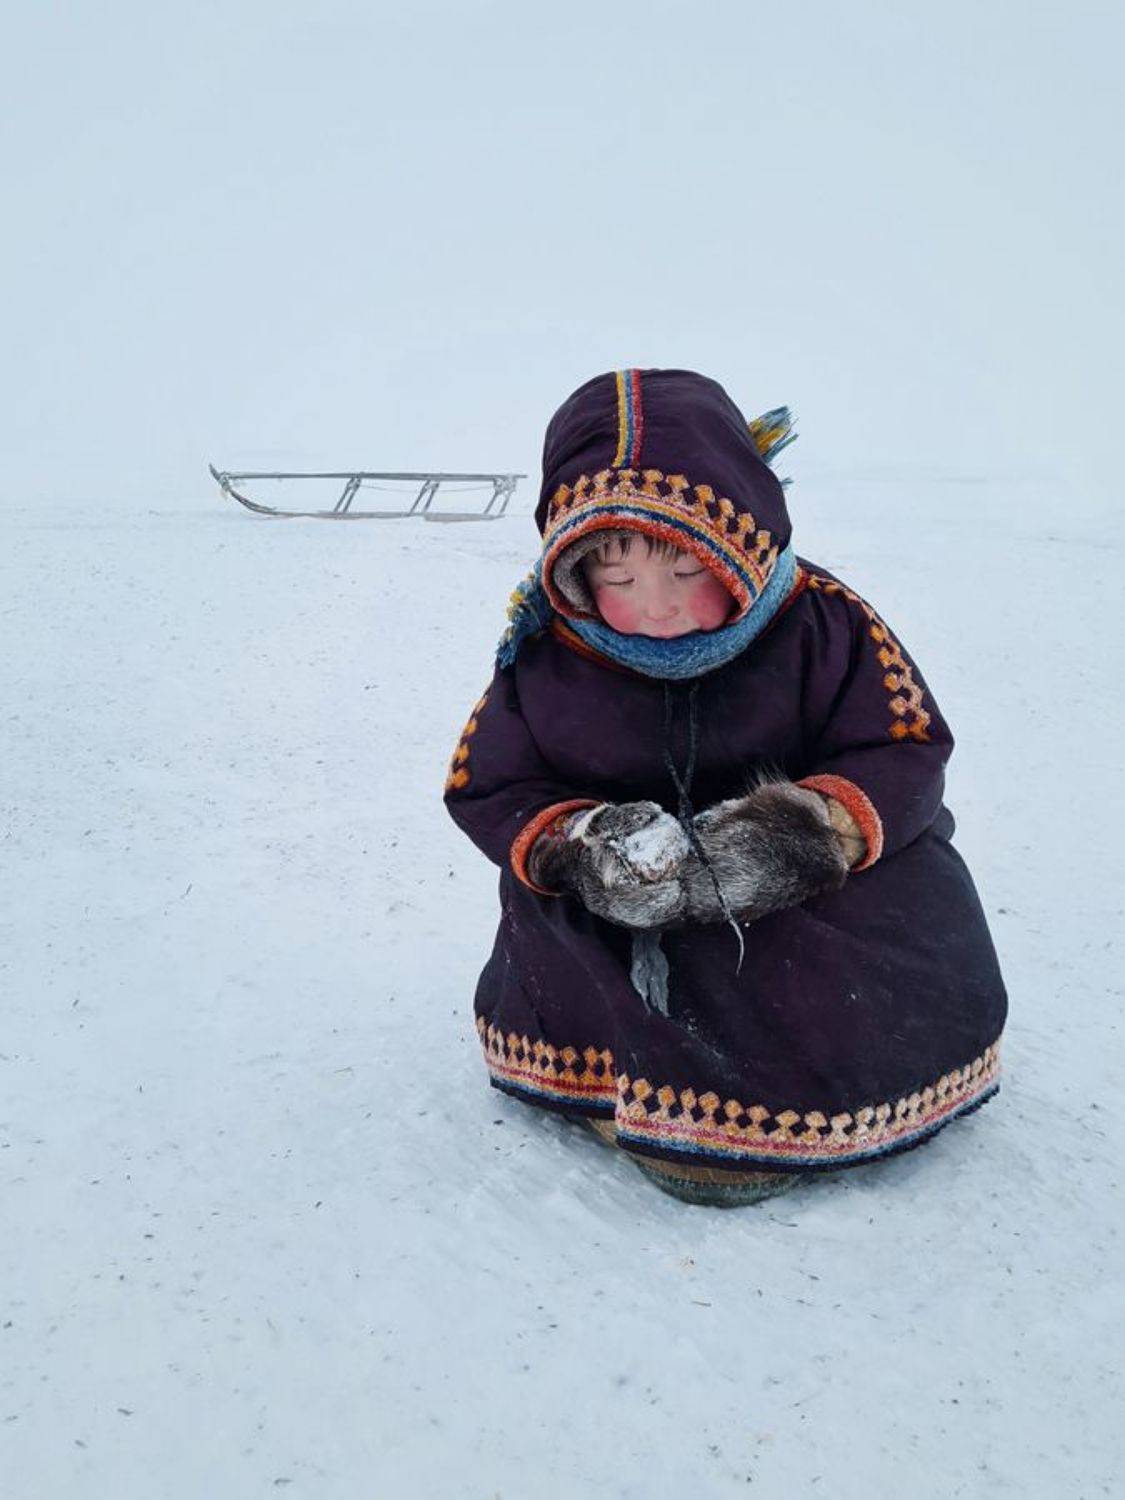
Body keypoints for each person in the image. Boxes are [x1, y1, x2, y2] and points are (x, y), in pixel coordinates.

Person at [442, 368, 1008, 1207]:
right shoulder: (546, 655)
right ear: (575, 573)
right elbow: (490, 781)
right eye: (620, 580)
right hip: (622, 892)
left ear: (737, 542)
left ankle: (820, 1098)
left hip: (802, 884)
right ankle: (627, 1090)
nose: (658, 608)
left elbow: (903, 746)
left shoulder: (822, 621)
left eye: (684, 571)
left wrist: (804, 834)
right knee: (592, 926)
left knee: (815, 938)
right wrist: (578, 844)